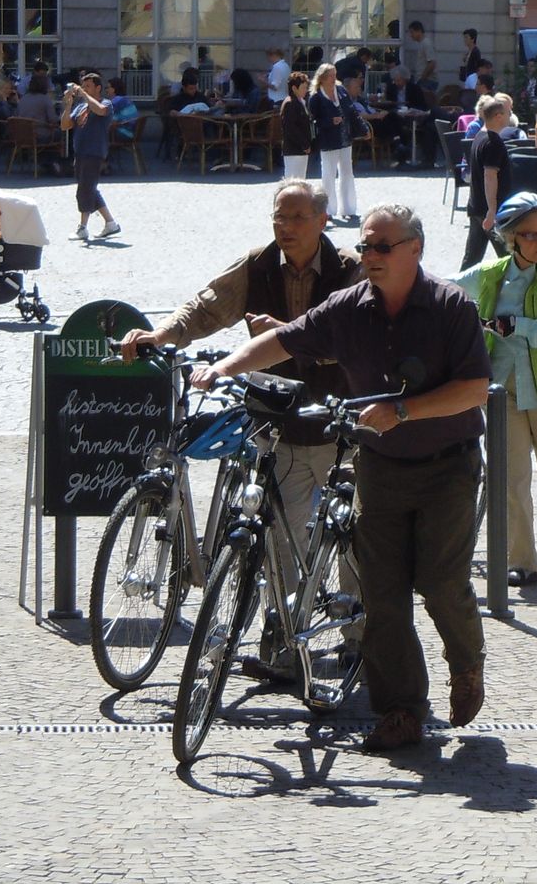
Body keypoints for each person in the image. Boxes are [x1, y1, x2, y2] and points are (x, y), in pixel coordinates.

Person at [196, 204, 492, 753]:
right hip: (378, 467)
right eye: (366, 246)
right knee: (381, 594)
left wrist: (403, 411)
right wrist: (223, 368)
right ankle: (402, 709)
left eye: (383, 247)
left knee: (441, 584)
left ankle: (467, 664)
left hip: (447, 467)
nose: (370, 257)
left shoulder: (451, 306)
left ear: (414, 250)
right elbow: (286, 340)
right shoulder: (348, 307)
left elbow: (474, 390)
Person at [119, 179, 362, 679]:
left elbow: (362, 341)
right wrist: (160, 334)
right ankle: (286, 643)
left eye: (296, 218)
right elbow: (208, 305)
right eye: (278, 216)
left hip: (342, 424)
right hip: (283, 425)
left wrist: (287, 335)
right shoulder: (259, 263)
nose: (285, 227)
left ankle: (359, 641)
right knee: (282, 537)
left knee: (353, 539)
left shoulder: (350, 271)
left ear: (322, 221)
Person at [450, 191, 537, 586]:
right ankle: (522, 561)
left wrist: (517, 326)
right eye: (533, 236)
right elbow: (447, 290)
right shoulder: (491, 273)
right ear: (511, 239)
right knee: (509, 479)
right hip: (500, 389)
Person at [60, 72, 121, 243]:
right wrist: (68, 104)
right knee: (89, 187)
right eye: (83, 86)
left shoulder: (105, 103)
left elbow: (101, 111)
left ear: (98, 88)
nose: (84, 89)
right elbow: (65, 125)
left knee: (84, 189)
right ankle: (110, 223)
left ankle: (83, 228)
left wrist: (84, 95)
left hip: (94, 151)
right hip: (80, 152)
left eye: (88, 86)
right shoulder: (80, 106)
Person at [463, 96, 514, 269]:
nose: (510, 116)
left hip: (477, 206)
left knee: (471, 260)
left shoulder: (479, 136)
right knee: (510, 258)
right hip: (490, 211)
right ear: (498, 116)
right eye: (508, 112)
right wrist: (492, 211)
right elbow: (489, 176)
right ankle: (520, 293)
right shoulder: (493, 142)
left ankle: (456, 292)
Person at [307, 63, 357, 224]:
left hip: (344, 137)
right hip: (328, 139)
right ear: (322, 77)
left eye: (335, 75)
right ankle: (329, 210)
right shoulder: (316, 97)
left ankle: (349, 208)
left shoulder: (341, 90)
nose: (334, 78)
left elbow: (351, 110)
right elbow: (313, 120)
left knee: (347, 173)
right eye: (330, 75)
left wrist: (360, 128)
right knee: (328, 174)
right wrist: (329, 121)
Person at [279, 70, 313, 180]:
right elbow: (291, 128)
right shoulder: (290, 103)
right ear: (294, 88)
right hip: (294, 149)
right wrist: (304, 144)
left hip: (299, 149)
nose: (306, 90)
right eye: (303, 87)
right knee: (293, 179)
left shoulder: (300, 102)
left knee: (300, 178)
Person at [17, 74, 60, 145]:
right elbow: (53, 120)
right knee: (61, 133)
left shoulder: (23, 98)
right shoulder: (45, 99)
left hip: (23, 135)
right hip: (40, 135)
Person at [401, 20, 439, 89]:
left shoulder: (426, 43)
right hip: (425, 81)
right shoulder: (422, 44)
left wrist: (422, 78)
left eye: (412, 32)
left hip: (427, 81)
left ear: (419, 31)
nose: (411, 35)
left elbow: (432, 63)